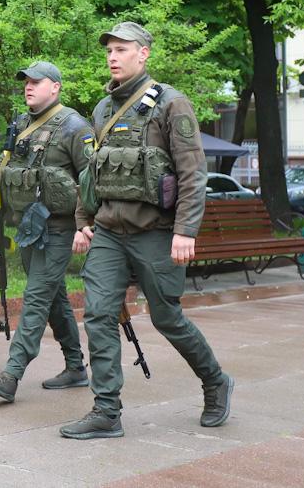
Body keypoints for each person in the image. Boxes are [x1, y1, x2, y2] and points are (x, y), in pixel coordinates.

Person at [59, 23, 234, 440]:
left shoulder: (172, 104)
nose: (112, 57)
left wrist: (186, 230)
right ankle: (106, 411)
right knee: (99, 315)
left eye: (121, 49)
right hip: (108, 233)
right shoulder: (103, 110)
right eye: (109, 51)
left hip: (156, 231)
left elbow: (193, 172)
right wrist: (84, 222)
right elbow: (93, 174)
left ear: (144, 54)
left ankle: (215, 381)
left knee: (167, 317)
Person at [0, 61, 92, 403]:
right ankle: (75, 367)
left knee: (37, 296)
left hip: (60, 228)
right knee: (54, 296)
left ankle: (12, 374)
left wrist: (84, 226)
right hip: (30, 227)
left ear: (55, 87)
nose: (28, 87)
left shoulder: (74, 126)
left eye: (36, 82)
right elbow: (2, 170)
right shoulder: (20, 125)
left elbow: (92, 179)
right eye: (26, 82)